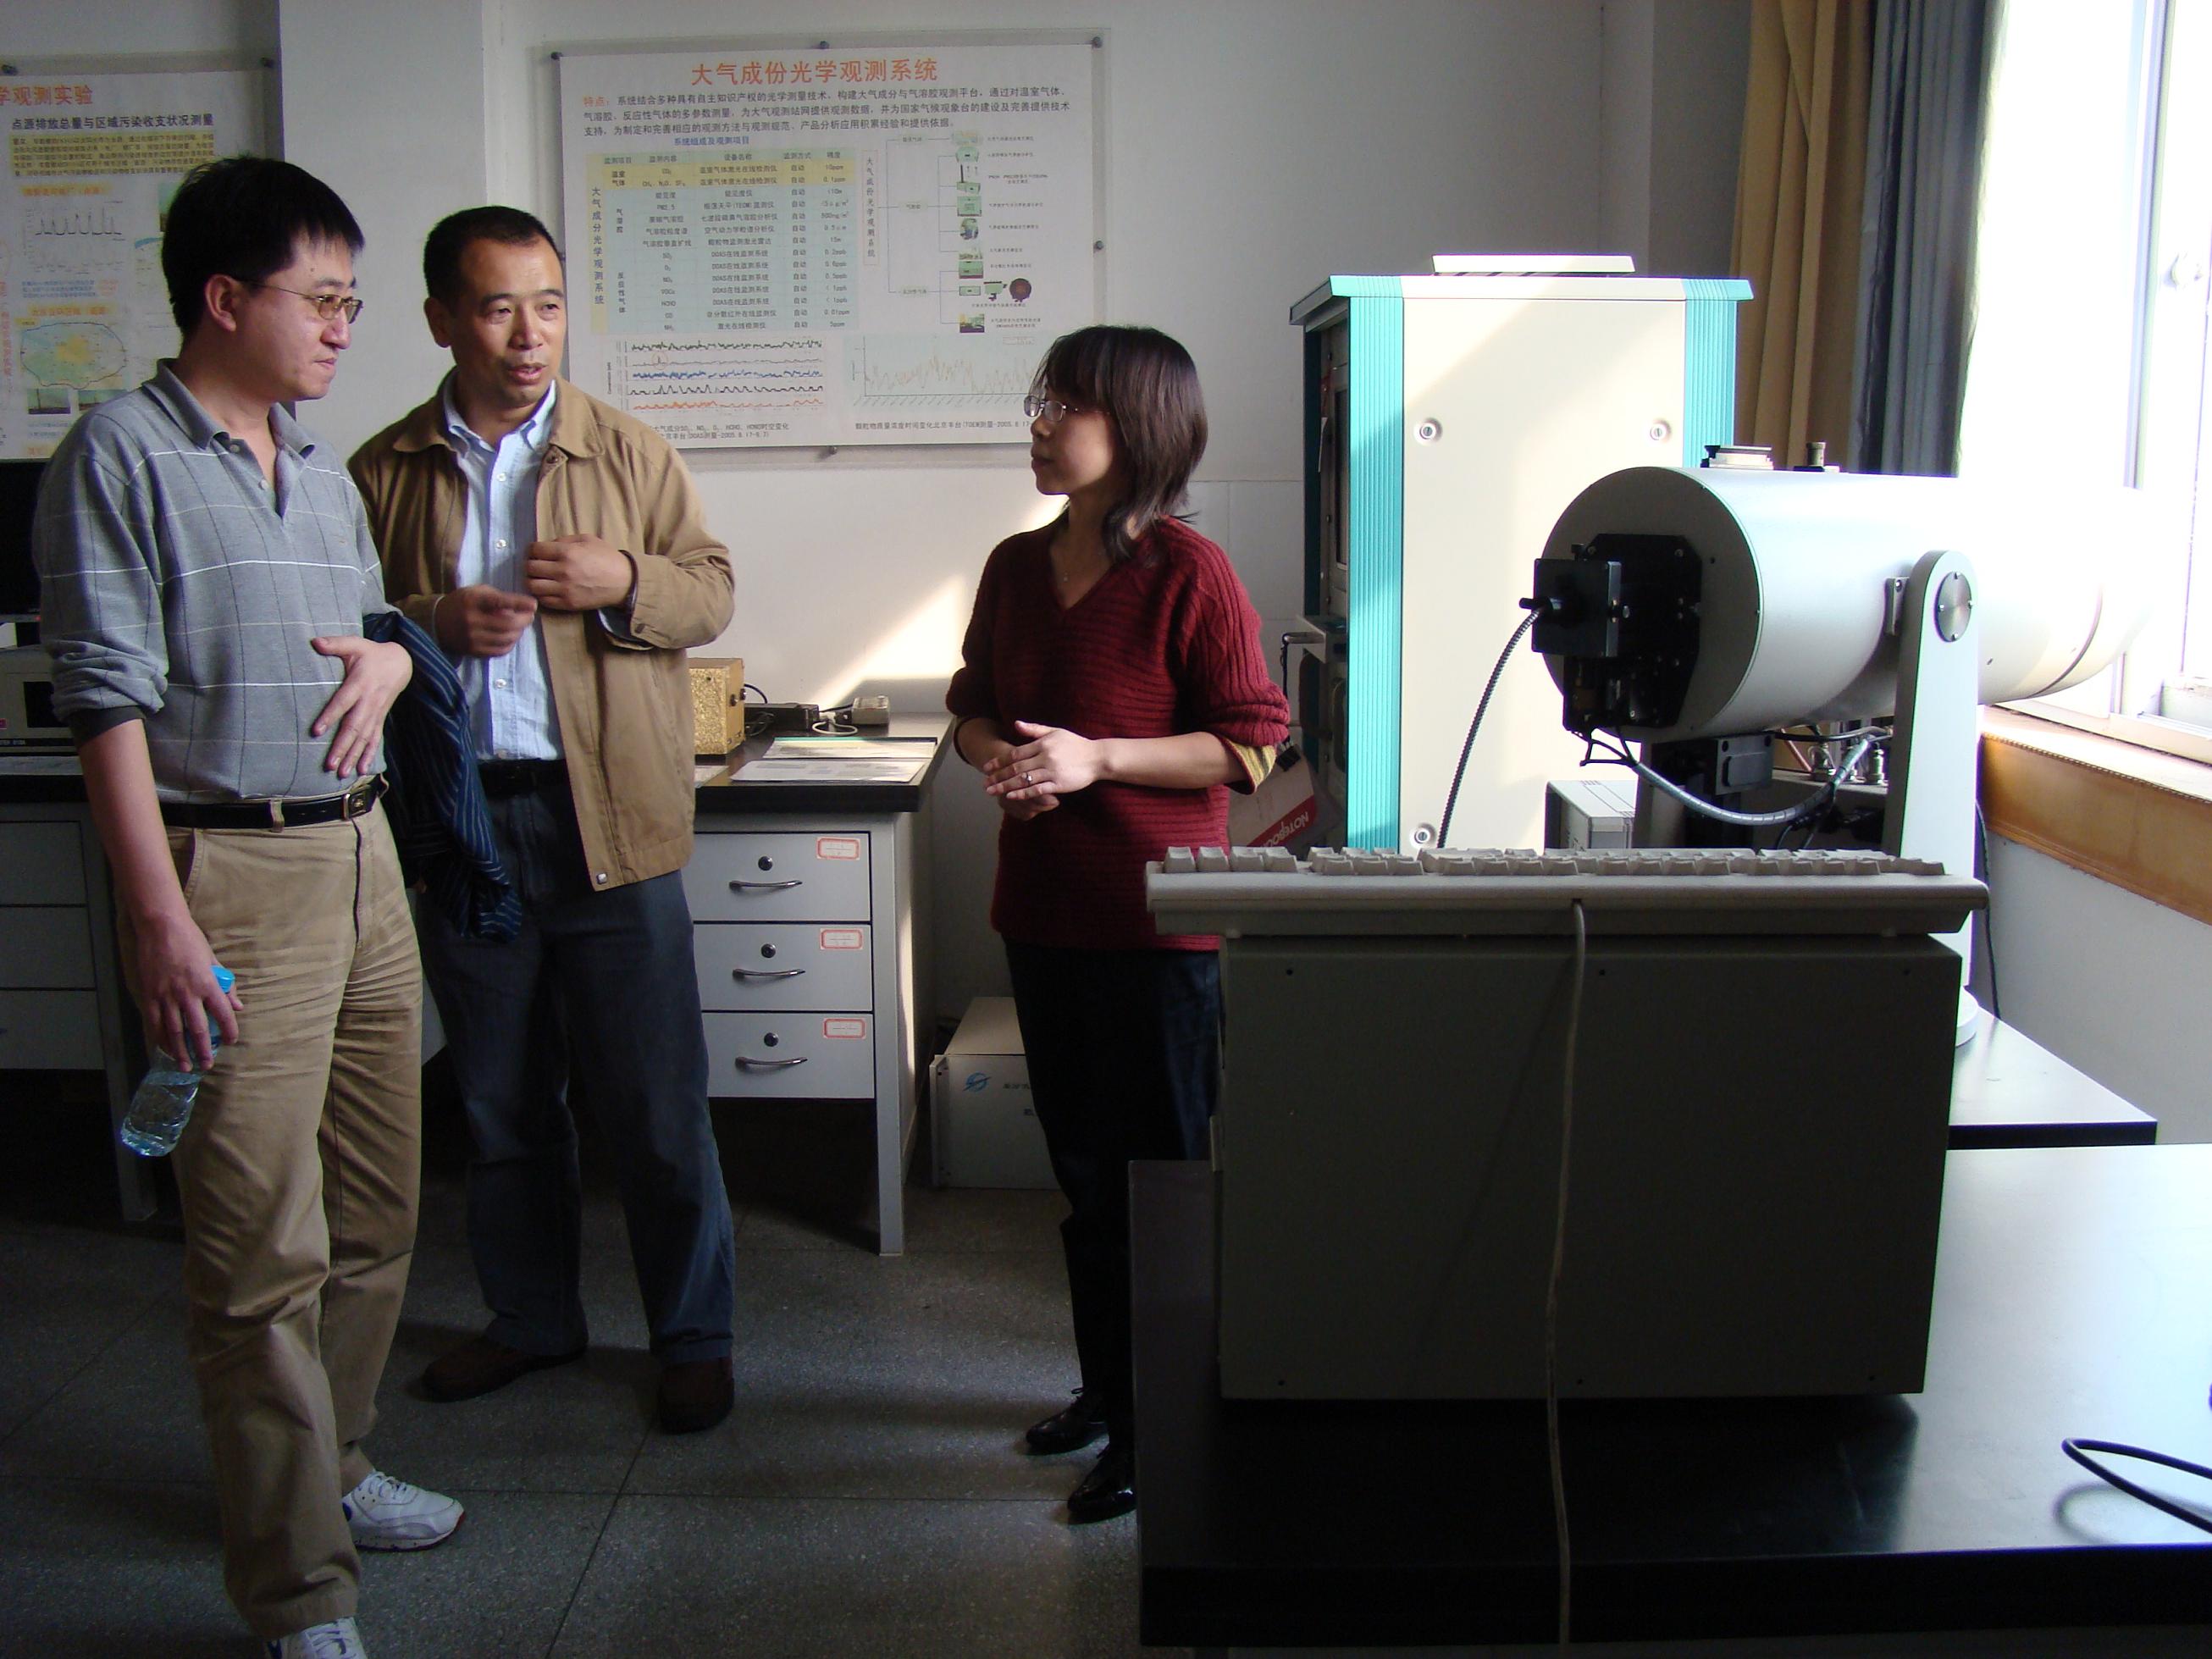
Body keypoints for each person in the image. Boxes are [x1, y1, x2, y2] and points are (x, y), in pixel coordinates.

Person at [32, 156, 460, 1659]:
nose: (344, 327)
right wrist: (158, 919)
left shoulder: (322, 469)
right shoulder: (120, 456)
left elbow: (372, 632)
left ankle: (335, 1466)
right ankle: (296, 1588)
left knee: (378, 1210)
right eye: (320, 298)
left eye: (350, 301)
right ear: (224, 298)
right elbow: (102, 702)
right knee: (257, 1246)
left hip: (362, 857)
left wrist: (399, 658)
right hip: (228, 877)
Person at [348, 207, 739, 1435]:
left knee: (657, 1107)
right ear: (441, 321)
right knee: (500, 1104)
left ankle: (693, 1334)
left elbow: (712, 592)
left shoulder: (626, 450)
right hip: (466, 826)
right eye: (499, 307)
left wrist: (628, 583)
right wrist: (429, 622)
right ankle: (531, 1320)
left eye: (551, 305)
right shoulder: (381, 469)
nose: (531, 335)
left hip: (609, 821)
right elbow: (344, 628)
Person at [945, 325, 1290, 1522]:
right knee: (1086, 1183)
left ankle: (1164, 1429)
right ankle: (1107, 1396)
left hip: (1159, 934)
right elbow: (972, 710)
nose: (1041, 426)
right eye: (1040, 404)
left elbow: (1252, 743)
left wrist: (1097, 759)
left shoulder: (1191, 571)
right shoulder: (1013, 567)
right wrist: (1001, 760)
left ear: (1137, 426)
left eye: (1067, 406)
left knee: (1164, 1192)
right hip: (1044, 917)